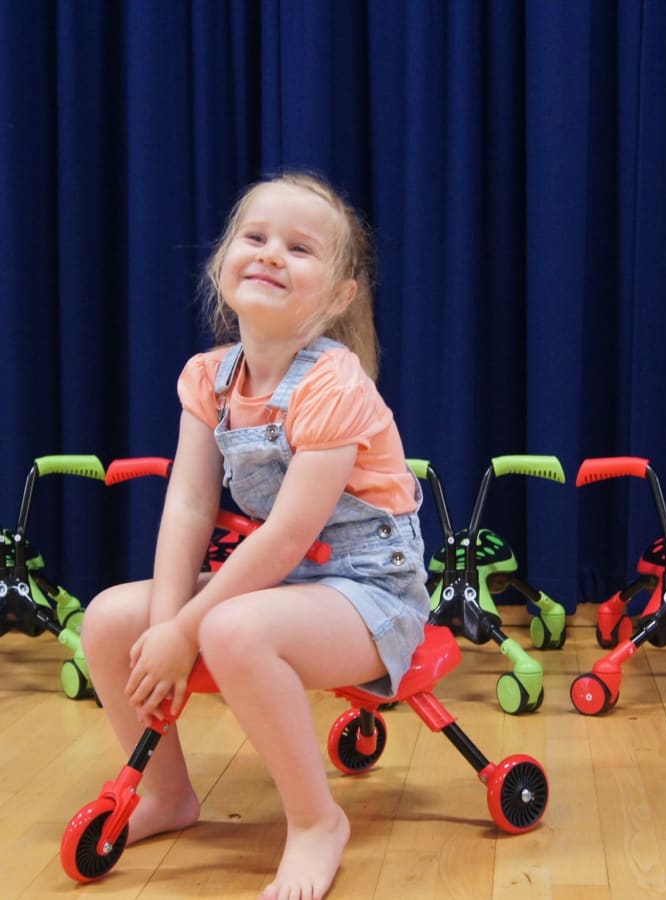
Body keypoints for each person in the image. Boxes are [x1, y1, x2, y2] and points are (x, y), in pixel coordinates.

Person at [81, 170, 431, 900]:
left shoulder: (334, 383)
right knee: (111, 618)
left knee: (230, 629)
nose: (271, 253)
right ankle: (167, 795)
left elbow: (285, 537)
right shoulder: (207, 379)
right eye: (255, 237)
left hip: (368, 594)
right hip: (287, 584)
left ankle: (316, 821)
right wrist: (165, 623)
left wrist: (187, 631)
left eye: (300, 248)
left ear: (339, 296)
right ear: (222, 262)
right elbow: (188, 506)